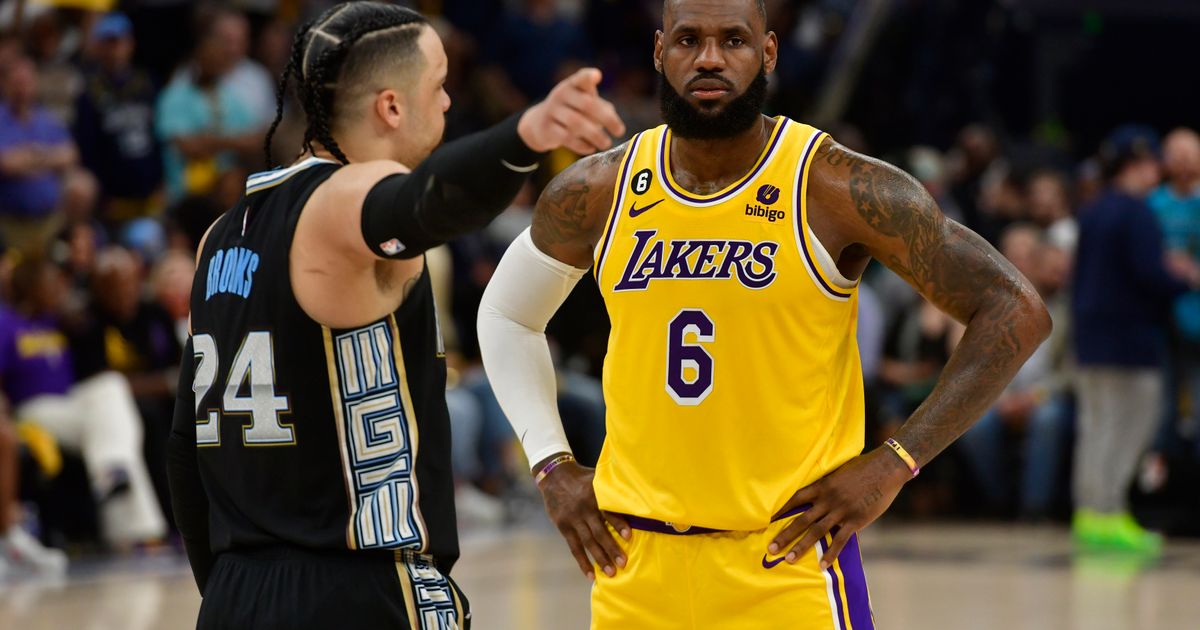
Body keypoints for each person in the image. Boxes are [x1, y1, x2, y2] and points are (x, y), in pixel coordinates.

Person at [477, 1, 1050, 627]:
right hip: (633, 567)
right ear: (659, 51)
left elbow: (1013, 309)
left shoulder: (834, 188)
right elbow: (507, 316)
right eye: (689, 40)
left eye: (734, 40)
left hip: (786, 566)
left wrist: (895, 463)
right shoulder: (600, 189)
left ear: (769, 52)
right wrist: (551, 463)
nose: (711, 58)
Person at [164, 3, 623, 628]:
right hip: (358, 586)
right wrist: (527, 136)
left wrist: (221, 592)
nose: (448, 106)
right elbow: (421, 205)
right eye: (438, 87)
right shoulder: (343, 201)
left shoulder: (222, 233)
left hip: (238, 590)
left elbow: (184, 443)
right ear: (390, 107)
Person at [1071, 126, 1199, 554]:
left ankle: (1090, 514)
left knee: (1095, 428)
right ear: (1139, 166)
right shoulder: (1138, 213)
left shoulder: (1092, 211)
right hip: (1129, 340)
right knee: (1129, 427)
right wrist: (1184, 276)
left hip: (1089, 340)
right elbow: (1151, 276)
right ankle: (1110, 514)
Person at [0, 257, 166, 546]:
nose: (60, 287)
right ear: (32, 287)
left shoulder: (58, 320)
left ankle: (110, 473)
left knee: (111, 387)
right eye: (51, 282)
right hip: (30, 409)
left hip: (69, 404)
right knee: (115, 435)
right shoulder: (6, 323)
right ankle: (139, 529)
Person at [73, 12, 164, 226]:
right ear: (98, 46)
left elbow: (160, 136)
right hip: (109, 201)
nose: (113, 50)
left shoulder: (148, 84)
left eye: (118, 42)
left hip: (149, 194)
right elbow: (87, 148)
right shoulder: (89, 92)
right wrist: (101, 196)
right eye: (107, 43)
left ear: (130, 43)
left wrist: (162, 181)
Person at [0, 56, 79, 253]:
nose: (22, 88)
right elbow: (7, 164)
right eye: (17, 82)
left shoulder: (47, 119)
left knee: (83, 185)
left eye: (27, 81)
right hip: (9, 222)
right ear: (5, 84)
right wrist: (48, 160)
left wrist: (32, 156)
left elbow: (70, 155)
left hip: (49, 220)